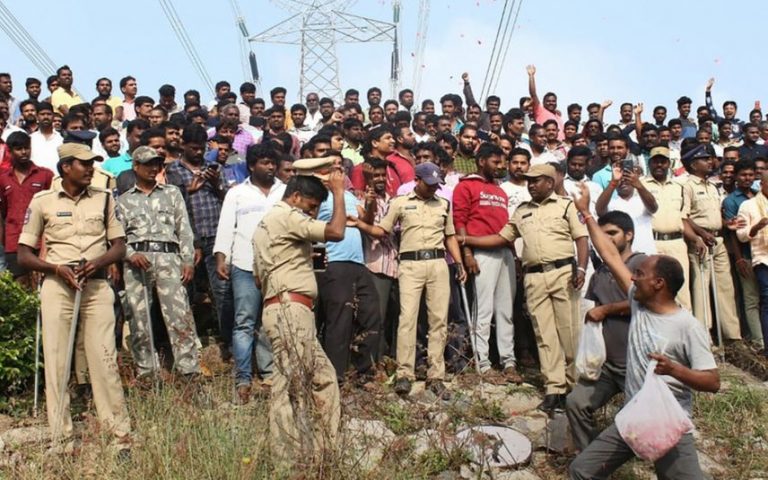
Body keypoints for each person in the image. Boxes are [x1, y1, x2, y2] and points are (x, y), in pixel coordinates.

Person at [568, 182, 720, 480]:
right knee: (582, 471)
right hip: (634, 419)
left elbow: (712, 381)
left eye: (639, 274)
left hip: (668, 421)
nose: (633, 278)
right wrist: (585, 212)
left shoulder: (687, 326)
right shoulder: (639, 305)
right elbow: (610, 256)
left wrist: (675, 370)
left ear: (659, 284)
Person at [17, 142, 131, 450]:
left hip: (95, 286)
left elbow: (119, 246)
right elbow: (24, 256)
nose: (91, 167)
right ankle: (61, 436)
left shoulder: (105, 199)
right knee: (56, 360)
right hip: (58, 286)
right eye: (84, 163)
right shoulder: (42, 201)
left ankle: (118, 434)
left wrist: (98, 262)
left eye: (91, 162)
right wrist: (55, 268)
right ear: (66, 167)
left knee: (104, 359)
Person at [464, 164, 588, 413]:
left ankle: (573, 388)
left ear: (550, 183)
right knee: (544, 335)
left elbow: (581, 239)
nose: (530, 185)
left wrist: (582, 269)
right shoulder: (521, 211)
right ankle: (554, 388)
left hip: (563, 273)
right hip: (534, 278)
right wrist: (466, 240)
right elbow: (502, 238)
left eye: (536, 180)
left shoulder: (565, 205)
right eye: (528, 181)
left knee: (570, 333)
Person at [251, 165, 347, 459]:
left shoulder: (266, 224)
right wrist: (339, 191)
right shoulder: (287, 215)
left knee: (324, 378)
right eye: (311, 207)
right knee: (288, 383)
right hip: (290, 309)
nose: (312, 215)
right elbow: (336, 231)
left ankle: (324, 450)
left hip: (285, 307)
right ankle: (286, 459)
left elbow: (258, 277)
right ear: (295, 197)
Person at [353, 162, 466, 399]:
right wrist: (360, 224)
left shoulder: (443, 204)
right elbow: (382, 230)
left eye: (436, 185)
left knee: (438, 320)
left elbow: (450, 236)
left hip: (437, 263)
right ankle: (405, 373)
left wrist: (459, 263)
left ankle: (436, 375)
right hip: (410, 263)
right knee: (407, 319)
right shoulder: (400, 203)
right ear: (417, 180)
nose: (433, 189)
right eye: (429, 184)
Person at [117, 146, 201, 382]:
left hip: (169, 258)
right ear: (135, 166)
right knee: (138, 317)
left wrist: (187, 261)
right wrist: (130, 253)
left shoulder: (172, 193)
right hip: (137, 262)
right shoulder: (123, 201)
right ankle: (147, 373)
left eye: (158, 164)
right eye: (148, 164)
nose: (154, 168)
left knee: (179, 315)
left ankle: (188, 371)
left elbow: (183, 229)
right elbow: (117, 237)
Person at [566, 211, 646, 452]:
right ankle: (590, 459)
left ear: (629, 235)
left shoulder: (643, 265)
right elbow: (593, 310)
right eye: (602, 235)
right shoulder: (600, 274)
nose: (607, 240)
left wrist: (608, 309)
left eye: (612, 233)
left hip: (638, 364)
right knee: (576, 402)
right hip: (606, 365)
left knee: (645, 421)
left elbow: (650, 304)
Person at [214, 144, 283, 403]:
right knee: (244, 322)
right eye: (264, 162)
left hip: (276, 265)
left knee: (271, 321)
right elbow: (226, 227)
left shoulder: (284, 192)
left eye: (272, 162)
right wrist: (222, 256)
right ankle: (242, 378)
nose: (270, 167)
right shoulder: (237, 193)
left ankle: (269, 373)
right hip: (243, 264)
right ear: (252, 165)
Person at [452, 143, 521, 383]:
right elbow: (459, 221)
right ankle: (482, 362)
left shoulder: (500, 190)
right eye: (496, 162)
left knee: (506, 311)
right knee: (483, 310)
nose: (501, 166)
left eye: (502, 162)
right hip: (481, 253)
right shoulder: (465, 186)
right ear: (482, 161)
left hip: (504, 253)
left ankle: (508, 362)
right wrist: (467, 254)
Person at [682, 142, 741, 341]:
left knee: (726, 287)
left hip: (718, 239)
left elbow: (715, 215)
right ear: (692, 164)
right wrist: (700, 233)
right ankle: (703, 335)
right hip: (699, 240)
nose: (710, 162)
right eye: (704, 159)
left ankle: (732, 336)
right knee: (701, 288)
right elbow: (684, 217)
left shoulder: (713, 186)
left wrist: (727, 222)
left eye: (709, 158)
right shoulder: (687, 185)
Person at [641, 146, 694, 310]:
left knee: (682, 291)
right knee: (653, 291)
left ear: (669, 164)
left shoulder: (680, 187)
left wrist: (696, 238)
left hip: (676, 242)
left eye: (663, 162)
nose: (659, 165)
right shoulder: (641, 185)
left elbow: (684, 218)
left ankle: (685, 333)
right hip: (652, 242)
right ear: (649, 164)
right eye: (655, 162)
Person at [0, 131, 54, 280]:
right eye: (19, 149)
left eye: (26, 148)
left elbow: (52, 207)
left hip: (40, 242)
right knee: (20, 287)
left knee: (44, 284)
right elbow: (4, 210)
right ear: (9, 152)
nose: (24, 152)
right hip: (14, 241)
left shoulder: (45, 175)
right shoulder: (3, 179)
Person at [595, 162, 658, 256]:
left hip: (646, 255)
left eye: (627, 179)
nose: (623, 182)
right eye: (621, 180)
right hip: (621, 258)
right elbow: (599, 210)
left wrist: (638, 184)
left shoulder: (642, 200)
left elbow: (653, 207)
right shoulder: (611, 203)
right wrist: (613, 182)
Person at [736, 170, 768, 351]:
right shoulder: (748, 206)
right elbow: (741, 236)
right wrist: (755, 228)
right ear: (762, 185)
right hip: (762, 259)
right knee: (766, 299)